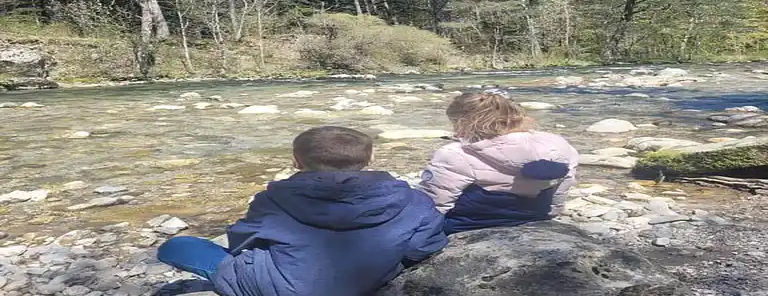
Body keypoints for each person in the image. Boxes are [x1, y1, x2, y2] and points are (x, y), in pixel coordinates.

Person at [157, 126, 448, 296]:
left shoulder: (273, 198)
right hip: (364, 283)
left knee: (178, 245)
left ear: (296, 161)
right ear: (370, 158)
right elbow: (424, 247)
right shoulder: (411, 199)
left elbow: (240, 241)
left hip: (279, 289)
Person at [417, 90, 579, 235]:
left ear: (462, 123)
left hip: (470, 223)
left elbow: (435, 200)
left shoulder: (456, 153)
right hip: (535, 214)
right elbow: (562, 188)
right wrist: (550, 215)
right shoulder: (557, 144)